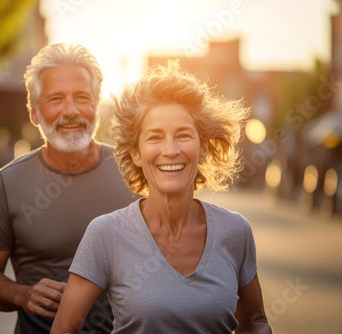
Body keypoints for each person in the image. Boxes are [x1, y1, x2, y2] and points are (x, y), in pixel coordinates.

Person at [51, 62, 273, 334]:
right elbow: (64, 329)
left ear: (203, 148)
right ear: (136, 153)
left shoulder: (236, 232)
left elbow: (255, 321)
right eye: (155, 137)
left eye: (183, 135)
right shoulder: (106, 234)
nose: (170, 150)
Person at [0, 43, 135, 334]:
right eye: (56, 99)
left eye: (81, 97)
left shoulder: (135, 174)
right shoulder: (7, 184)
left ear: (96, 104)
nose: (70, 111)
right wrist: (21, 294)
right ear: (34, 114)